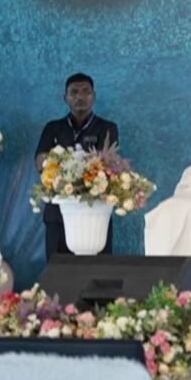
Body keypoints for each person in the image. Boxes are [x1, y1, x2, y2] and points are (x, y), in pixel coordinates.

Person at [35, 73, 120, 259]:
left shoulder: (107, 128)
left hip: (95, 213)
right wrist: (67, 165)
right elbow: (40, 160)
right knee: (58, 270)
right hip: (57, 215)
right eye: (74, 92)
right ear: (65, 98)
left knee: (98, 271)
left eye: (85, 91)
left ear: (94, 96)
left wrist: (68, 162)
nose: (80, 97)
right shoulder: (52, 128)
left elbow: (108, 164)